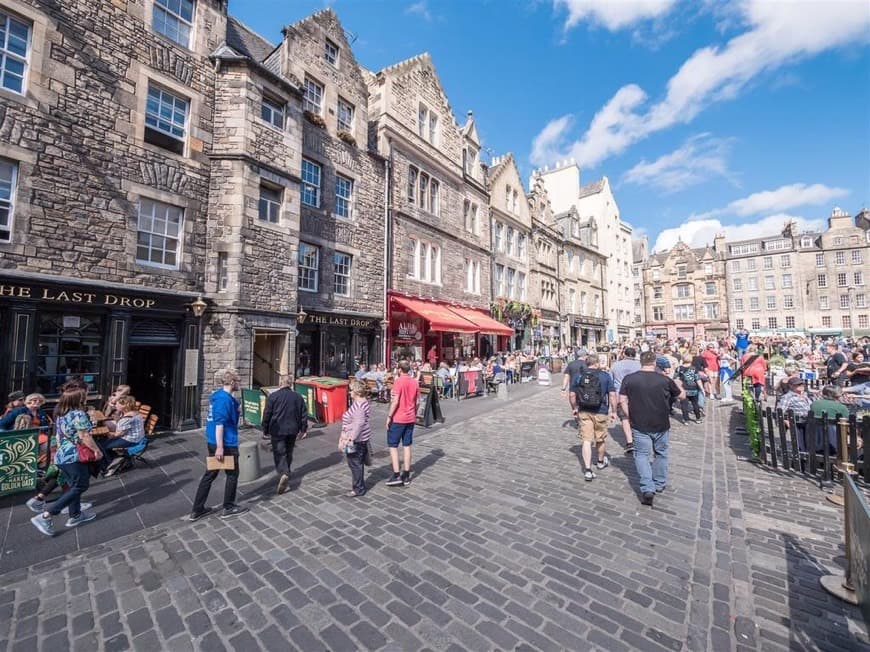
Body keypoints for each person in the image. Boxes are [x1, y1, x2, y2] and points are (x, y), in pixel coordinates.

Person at [30, 384, 102, 536]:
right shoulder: (78, 414)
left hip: (62, 455)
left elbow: (58, 436)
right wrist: (96, 450)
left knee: (72, 485)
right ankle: (46, 515)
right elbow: (84, 436)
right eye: (83, 396)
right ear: (78, 399)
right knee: (80, 485)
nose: (85, 398)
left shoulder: (62, 414)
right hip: (74, 456)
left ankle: (75, 515)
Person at [619, 351, 685, 506]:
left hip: (639, 423)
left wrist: (630, 414)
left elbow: (622, 400)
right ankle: (659, 483)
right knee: (661, 453)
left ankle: (647, 488)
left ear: (640, 362)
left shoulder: (630, 379)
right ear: (654, 362)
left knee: (641, 455)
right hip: (661, 422)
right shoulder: (664, 379)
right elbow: (681, 396)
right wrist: (679, 387)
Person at [189, 368, 248, 521]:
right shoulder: (224, 400)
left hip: (214, 441)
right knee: (232, 474)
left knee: (210, 474)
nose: (239, 385)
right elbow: (220, 424)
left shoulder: (217, 397)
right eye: (238, 382)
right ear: (232, 382)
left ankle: (197, 509)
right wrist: (221, 447)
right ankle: (228, 506)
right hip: (225, 443)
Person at [569, 355, 617, 481]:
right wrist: (614, 411)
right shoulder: (605, 376)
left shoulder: (579, 376)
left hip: (584, 410)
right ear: (596, 364)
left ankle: (588, 470)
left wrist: (574, 408)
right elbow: (612, 395)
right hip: (601, 411)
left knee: (586, 440)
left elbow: (572, 395)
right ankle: (600, 462)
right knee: (600, 439)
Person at [261, 374, 309, 495]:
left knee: (279, 453)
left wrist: (265, 428)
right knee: (288, 451)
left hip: (277, 429)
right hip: (293, 429)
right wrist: (303, 429)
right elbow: (304, 414)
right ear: (291, 384)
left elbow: (267, 413)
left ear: (280, 383)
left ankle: (284, 473)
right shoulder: (298, 397)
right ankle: (286, 473)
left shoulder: (273, 396)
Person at [385, 359, 419, 487]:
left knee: (393, 446)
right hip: (410, 417)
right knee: (407, 445)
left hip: (398, 417)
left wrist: (389, 416)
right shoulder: (414, 382)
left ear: (399, 370)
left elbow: (395, 401)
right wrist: (413, 413)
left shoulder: (398, 382)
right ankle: (406, 474)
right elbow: (417, 402)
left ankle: (396, 474)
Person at [99, 395, 146, 477]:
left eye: (117, 404)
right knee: (105, 441)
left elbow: (119, 434)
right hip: (139, 437)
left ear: (124, 406)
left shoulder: (127, 418)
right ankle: (120, 459)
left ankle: (111, 465)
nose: (115, 405)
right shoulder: (136, 413)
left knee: (102, 445)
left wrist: (107, 433)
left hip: (131, 440)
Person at [339, 380, 372, 497]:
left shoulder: (359, 406)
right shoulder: (362, 402)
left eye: (351, 390)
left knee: (355, 464)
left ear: (357, 392)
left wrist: (350, 439)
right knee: (356, 463)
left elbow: (358, 424)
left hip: (357, 440)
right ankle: (359, 486)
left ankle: (358, 488)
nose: (349, 392)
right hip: (360, 438)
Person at [610, 347, 640, 454]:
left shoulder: (616, 365)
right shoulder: (639, 365)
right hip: (637, 394)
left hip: (620, 394)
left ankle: (629, 442)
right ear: (635, 354)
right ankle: (639, 438)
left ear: (624, 354)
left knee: (624, 418)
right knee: (638, 415)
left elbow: (611, 381)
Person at [809, 385, 850, 454]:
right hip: (834, 440)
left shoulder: (814, 404)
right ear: (838, 395)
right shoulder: (842, 407)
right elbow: (846, 426)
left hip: (815, 437)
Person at [674, 355, 702, 423]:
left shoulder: (679, 368)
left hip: (683, 389)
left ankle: (686, 419)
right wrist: (702, 388)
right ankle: (698, 418)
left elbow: (676, 379)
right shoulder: (694, 368)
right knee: (695, 404)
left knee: (684, 404)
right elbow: (698, 379)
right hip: (693, 388)